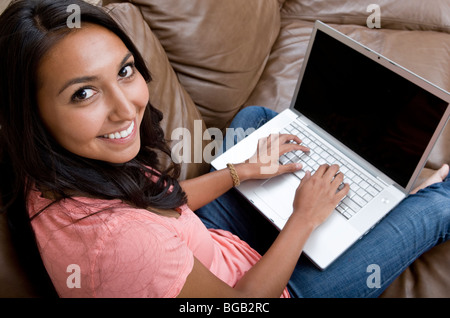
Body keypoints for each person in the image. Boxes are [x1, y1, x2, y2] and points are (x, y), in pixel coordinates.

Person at [0, 0, 448, 298]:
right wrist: (303, 218)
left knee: (254, 122)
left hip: (206, 246)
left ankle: (370, 196)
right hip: (266, 288)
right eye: (83, 94)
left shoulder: (51, 170)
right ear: (29, 113)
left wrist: (244, 171)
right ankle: (397, 200)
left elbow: (160, 204)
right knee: (440, 205)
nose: (126, 109)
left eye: (124, 71)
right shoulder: (125, 247)